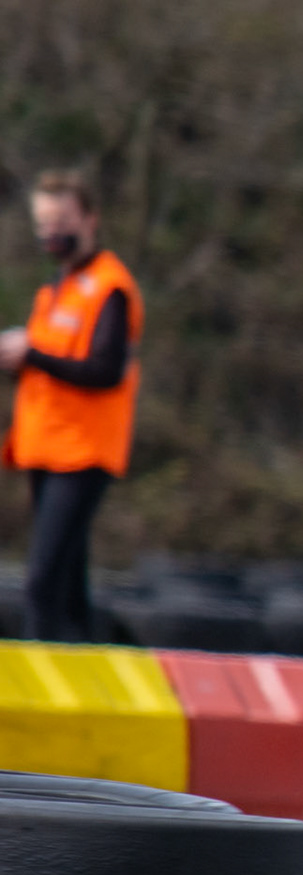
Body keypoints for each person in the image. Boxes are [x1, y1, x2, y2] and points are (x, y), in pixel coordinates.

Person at [0, 170, 143, 642]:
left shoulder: (109, 287)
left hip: (83, 450)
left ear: (89, 219)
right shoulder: (54, 288)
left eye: (61, 222)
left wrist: (33, 355)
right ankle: (88, 668)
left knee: (42, 583)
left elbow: (105, 369)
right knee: (68, 588)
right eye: (43, 224)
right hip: (45, 446)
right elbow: (49, 364)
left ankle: (40, 681)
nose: (51, 233)